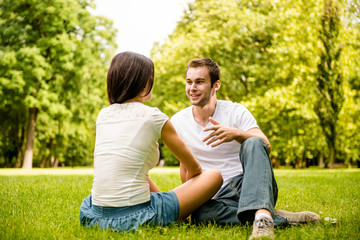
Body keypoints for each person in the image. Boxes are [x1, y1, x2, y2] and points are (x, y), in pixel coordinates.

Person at [170, 58, 320, 239]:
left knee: (253, 142)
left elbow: (264, 144)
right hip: (213, 196)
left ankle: (262, 217)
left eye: (199, 82)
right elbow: (185, 165)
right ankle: (268, 214)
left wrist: (236, 134)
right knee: (201, 215)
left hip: (248, 184)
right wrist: (187, 205)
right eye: (189, 82)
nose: (192, 88)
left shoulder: (236, 111)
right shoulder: (178, 121)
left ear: (216, 85)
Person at [79, 52, 223, 232]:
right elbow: (194, 169)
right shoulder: (153, 116)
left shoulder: (103, 115)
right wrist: (185, 205)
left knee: (141, 180)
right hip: (136, 215)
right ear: (143, 81)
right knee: (214, 175)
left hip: (96, 214)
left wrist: (166, 198)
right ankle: (183, 213)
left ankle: (171, 207)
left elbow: (127, 167)